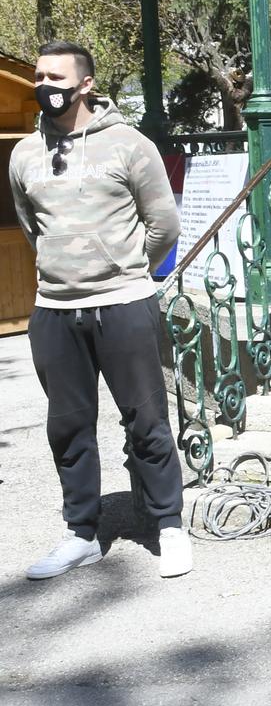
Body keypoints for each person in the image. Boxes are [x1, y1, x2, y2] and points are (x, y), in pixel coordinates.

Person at [9, 40, 191, 581]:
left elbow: (164, 225)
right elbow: (29, 228)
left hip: (123, 303)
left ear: (86, 83)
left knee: (147, 422)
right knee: (68, 426)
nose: (45, 85)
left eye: (56, 76)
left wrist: (126, 269)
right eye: (39, 76)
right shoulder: (24, 154)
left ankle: (170, 528)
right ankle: (80, 534)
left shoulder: (129, 145)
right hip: (54, 311)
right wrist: (62, 270)